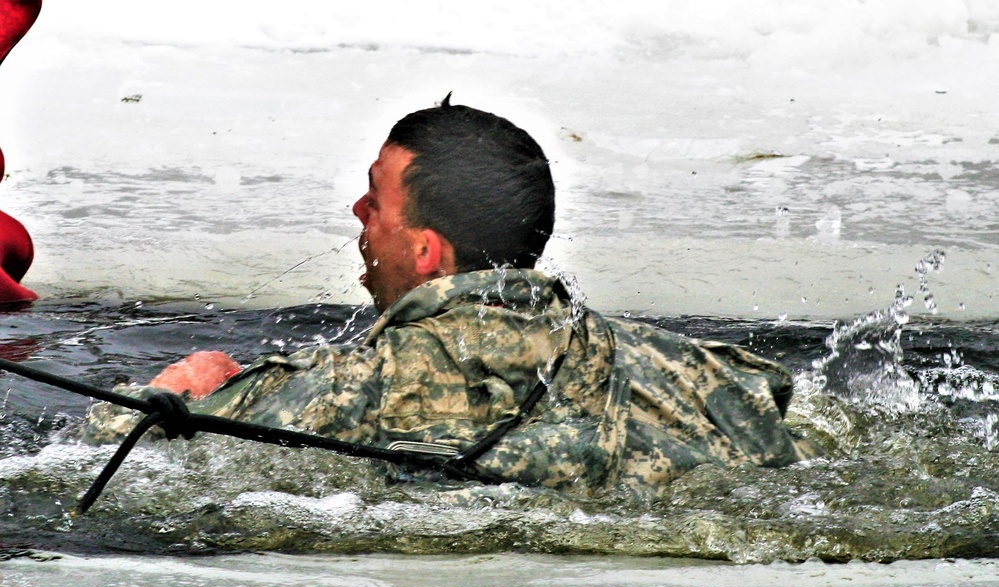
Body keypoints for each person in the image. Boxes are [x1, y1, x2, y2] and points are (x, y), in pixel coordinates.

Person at [83, 95, 819, 495]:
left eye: (375, 200)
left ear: (426, 252)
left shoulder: (337, 392)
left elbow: (109, 462)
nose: (357, 216)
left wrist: (176, 393)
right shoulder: (698, 373)